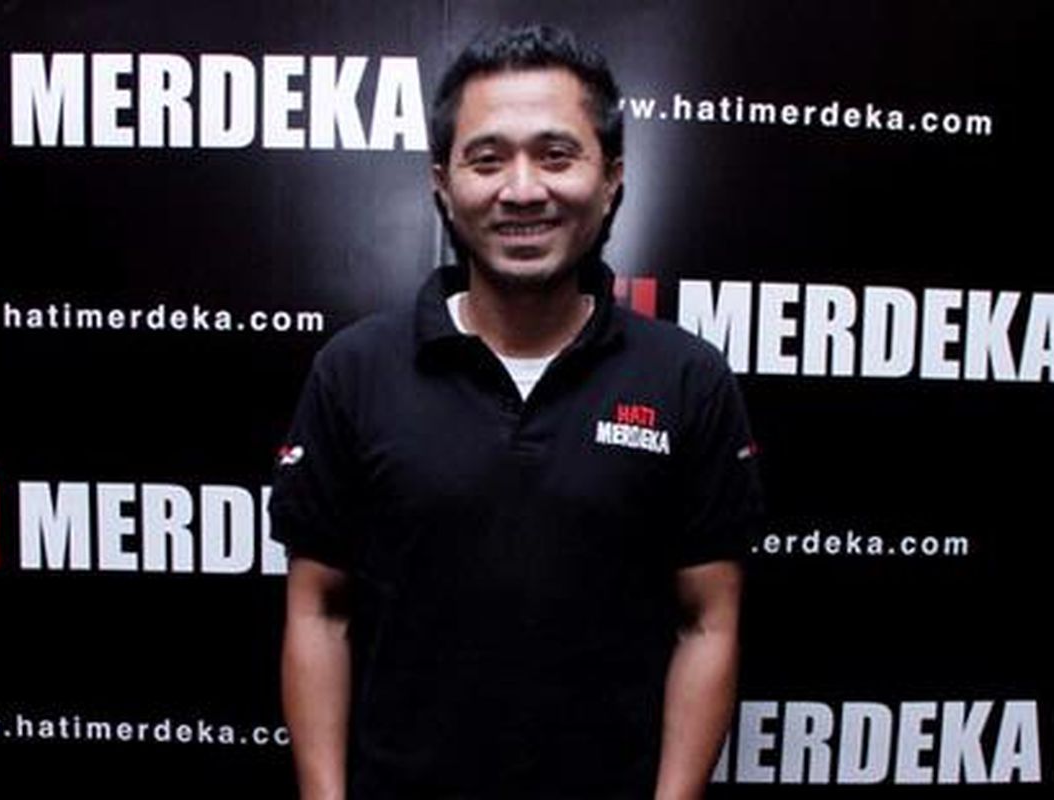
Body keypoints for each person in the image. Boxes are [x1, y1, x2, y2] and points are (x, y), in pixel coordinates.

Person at [270, 24, 763, 800]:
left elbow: (708, 622)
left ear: (612, 179)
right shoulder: (354, 372)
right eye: (488, 159)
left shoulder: (687, 380)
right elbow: (318, 611)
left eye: (556, 155)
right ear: (442, 183)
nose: (523, 189)